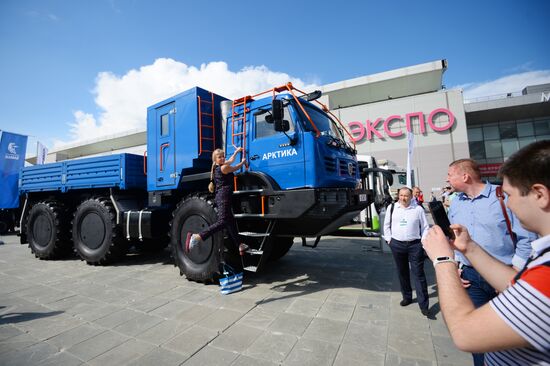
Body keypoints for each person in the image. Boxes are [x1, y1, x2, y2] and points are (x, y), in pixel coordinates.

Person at [422, 140, 550, 365]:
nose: (507, 204)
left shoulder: (545, 276)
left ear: (540, 194)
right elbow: (515, 284)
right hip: (473, 274)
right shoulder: (542, 260)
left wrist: (442, 261)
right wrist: (468, 249)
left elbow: (466, 334)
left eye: (510, 195)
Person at [446, 158, 537, 365]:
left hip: (504, 277)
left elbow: (526, 238)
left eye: (450, 174)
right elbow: (456, 240)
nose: (447, 178)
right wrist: (457, 267)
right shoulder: (456, 202)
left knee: (506, 335)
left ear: (465, 176)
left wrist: (513, 273)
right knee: (477, 336)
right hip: (470, 277)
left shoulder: (502, 197)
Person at [186, 147, 248, 254]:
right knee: (223, 221)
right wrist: (242, 162)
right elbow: (234, 167)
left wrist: (236, 152)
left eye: (223, 156)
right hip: (223, 197)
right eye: (220, 157)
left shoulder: (221, 166)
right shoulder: (223, 168)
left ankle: (240, 245)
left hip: (224, 196)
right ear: (215, 160)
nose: (222, 158)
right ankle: (197, 237)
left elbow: (231, 160)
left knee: (230, 222)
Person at [383, 187, 431, 316]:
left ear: (411, 197)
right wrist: (389, 240)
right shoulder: (392, 208)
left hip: (415, 245)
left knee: (418, 274)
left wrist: (423, 242)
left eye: (406, 196)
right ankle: (407, 297)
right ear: (398, 196)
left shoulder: (418, 209)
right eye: (401, 195)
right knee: (402, 272)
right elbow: (386, 225)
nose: (403, 198)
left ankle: (424, 304)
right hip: (397, 245)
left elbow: (425, 227)